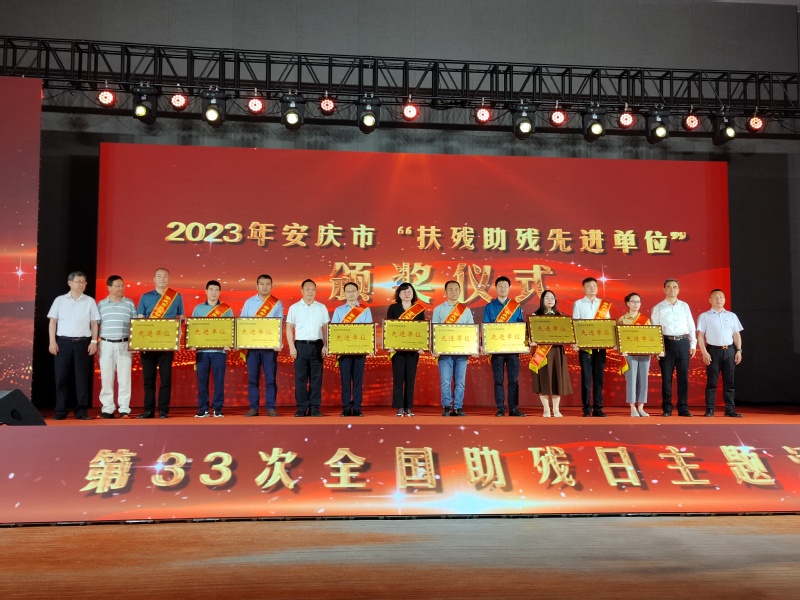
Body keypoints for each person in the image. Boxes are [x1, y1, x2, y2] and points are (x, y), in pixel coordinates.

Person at [47, 271, 100, 420]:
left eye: (84, 282)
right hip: (63, 343)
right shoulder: (60, 300)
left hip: (83, 343)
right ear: (70, 283)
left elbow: (94, 323)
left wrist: (94, 342)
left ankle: (82, 411)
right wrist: (52, 341)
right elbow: (52, 322)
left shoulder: (90, 301)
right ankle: (60, 411)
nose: (81, 284)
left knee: (82, 379)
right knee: (61, 378)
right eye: (78, 281)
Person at [136, 268, 184, 419]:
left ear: (169, 279)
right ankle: (148, 410)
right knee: (148, 379)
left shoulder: (176, 297)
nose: (162, 279)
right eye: (159, 276)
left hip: (167, 343)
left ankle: (163, 410)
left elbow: (181, 317)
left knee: (165, 378)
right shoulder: (145, 297)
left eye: (165, 276)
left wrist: (179, 330)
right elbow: (140, 319)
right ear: (154, 279)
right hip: (148, 343)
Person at [651, 278, 697, 417]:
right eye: (669, 287)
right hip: (666, 343)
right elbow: (655, 329)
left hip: (683, 342)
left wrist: (693, 343)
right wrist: (657, 348)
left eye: (675, 287)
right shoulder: (658, 308)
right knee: (666, 378)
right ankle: (667, 408)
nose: (672, 289)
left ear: (678, 289)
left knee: (683, 377)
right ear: (664, 289)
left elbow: (691, 325)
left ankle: (683, 408)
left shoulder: (684, 306)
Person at [240, 274, 283, 417]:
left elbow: (279, 325)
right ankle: (253, 408)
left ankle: (270, 408)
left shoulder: (276, 303)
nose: (265, 287)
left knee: (270, 379)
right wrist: (241, 342)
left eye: (267, 284)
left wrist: (278, 342)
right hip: (252, 348)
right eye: (262, 284)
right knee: (253, 379)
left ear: (271, 286)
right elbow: (242, 323)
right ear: (257, 286)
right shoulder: (249, 302)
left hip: (270, 348)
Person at [697, 289, 744, 418]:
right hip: (713, 351)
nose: (719, 300)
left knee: (729, 382)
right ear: (710, 300)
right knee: (712, 382)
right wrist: (704, 353)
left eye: (721, 297)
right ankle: (710, 409)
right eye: (716, 297)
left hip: (729, 350)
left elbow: (736, 334)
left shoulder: (732, 316)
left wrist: (739, 350)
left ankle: (730, 410)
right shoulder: (704, 316)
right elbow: (700, 336)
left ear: (725, 299)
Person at [286, 279, 329, 417]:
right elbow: (289, 328)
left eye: (313, 289)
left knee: (316, 378)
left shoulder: (321, 307)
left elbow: (326, 328)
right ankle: (301, 407)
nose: (310, 292)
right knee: (301, 378)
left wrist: (326, 345)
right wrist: (292, 347)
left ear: (315, 291)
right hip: (300, 346)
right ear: (302, 291)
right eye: (307, 289)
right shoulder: (294, 308)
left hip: (317, 345)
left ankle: (315, 408)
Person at [483, 276, 525, 417]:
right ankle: (500, 408)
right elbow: (486, 327)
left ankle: (513, 408)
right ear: (496, 288)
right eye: (500, 286)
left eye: (505, 286)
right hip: (497, 349)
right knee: (498, 380)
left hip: (513, 349)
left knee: (513, 380)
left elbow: (520, 325)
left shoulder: (515, 306)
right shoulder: (489, 307)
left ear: (509, 288)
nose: (502, 288)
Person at [191, 280, 233, 418]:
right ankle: (203, 408)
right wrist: (192, 343)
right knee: (202, 381)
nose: (213, 293)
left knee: (219, 381)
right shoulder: (198, 309)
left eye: (216, 290)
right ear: (206, 291)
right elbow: (193, 328)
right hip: (202, 351)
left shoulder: (227, 309)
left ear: (220, 292)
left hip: (219, 352)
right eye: (211, 290)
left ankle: (218, 408)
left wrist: (229, 343)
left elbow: (231, 329)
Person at [97, 275, 137, 418]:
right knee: (106, 377)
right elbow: (96, 325)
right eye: (117, 286)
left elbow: (136, 325)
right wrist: (96, 343)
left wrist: (134, 344)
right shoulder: (101, 304)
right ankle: (107, 408)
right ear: (109, 287)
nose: (121, 288)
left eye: (122, 285)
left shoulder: (129, 304)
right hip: (106, 344)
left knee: (124, 378)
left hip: (124, 344)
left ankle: (124, 409)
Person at [432, 280, 474, 417]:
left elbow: (471, 331)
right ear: (445, 292)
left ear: (460, 292)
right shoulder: (438, 309)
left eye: (456, 289)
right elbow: (434, 331)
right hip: (444, 352)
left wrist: (472, 348)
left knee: (460, 381)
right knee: (445, 381)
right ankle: (447, 407)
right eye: (450, 289)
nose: (453, 292)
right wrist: (435, 348)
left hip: (462, 352)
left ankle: (458, 407)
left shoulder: (466, 310)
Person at [331, 282, 373, 417]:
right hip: (344, 351)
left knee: (358, 380)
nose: (351, 294)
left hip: (360, 350)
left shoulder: (365, 310)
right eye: (348, 291)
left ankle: (357, 408)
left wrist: (370, 347)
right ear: (344, 294)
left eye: (353, 291)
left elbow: (368, 330)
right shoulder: (338, 310)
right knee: (345, 380)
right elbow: (334, 330)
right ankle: (346, 408)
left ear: (358, 293)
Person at [529, 290, 573, 417]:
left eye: (552, 298)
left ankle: (556, 409)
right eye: (547, 298)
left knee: (557, 379)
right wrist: (531, 341)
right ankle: (546, 409)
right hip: (541, 353)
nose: (550, 300)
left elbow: (566, 334)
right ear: (542, 300)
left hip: (557, 351)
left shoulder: (560, 316)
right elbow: (530, 334)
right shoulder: (535, 316)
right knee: (543, 380)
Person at [572, 277, 611, 417]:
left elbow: (608, 325)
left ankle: (598, 408)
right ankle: (587, 408)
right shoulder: (578, 303)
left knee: (599, 378)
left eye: (594, 285)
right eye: (589, 286)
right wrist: (576, 342)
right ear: (584, 288)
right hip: (585, 347)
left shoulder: (604, 305)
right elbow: (575, 324)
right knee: (586, 378)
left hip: (600, 346)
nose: (592, 288)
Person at [386, 282, 426, 417]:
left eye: (409, 291)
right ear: (399, 294)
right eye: (403, 291)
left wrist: (421, 346)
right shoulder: (393, 308)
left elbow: (422, 330)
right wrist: (389, 345)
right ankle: (399, 406)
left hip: (413, 351)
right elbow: (388, 328)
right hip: (397, 350)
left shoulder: (419, 309)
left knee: (410, 378)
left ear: (413, 294)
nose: (407, 294)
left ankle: (408, 407)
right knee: (398, 379)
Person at [617, 292, 655, 418]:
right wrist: (621, 350)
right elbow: (618, 338)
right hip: (629, 353)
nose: (636, 304)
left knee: (644, 380)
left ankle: (641, 407)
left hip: (644, 353)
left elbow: (651, 337)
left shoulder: (645, 320)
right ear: (627, 303)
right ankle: (632, 407)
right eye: (633, 301)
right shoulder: (622, 319)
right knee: (631, 380)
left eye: (638, 302)